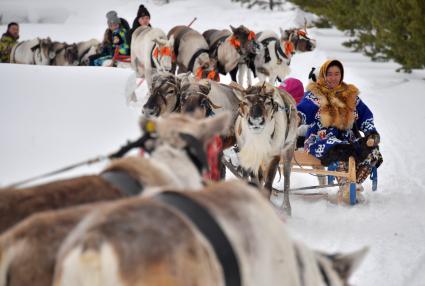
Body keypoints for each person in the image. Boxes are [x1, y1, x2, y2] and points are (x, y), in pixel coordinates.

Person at [297, 59, 383, 189]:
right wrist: (297, 117)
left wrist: (371, 132)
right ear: (323, 75)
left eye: (337, 74)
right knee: (339, 149)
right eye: (329, 74)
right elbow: (303, 109)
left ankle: (353, 183)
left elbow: (364, 115)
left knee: (372, 151)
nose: (333, 78)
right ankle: (346, 184)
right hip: (322, 137)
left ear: (341, 75)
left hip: (347, 136)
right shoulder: (315, 94)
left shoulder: (350, 95)